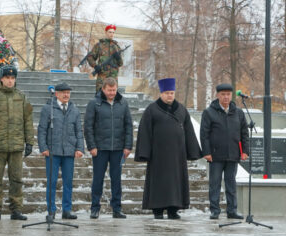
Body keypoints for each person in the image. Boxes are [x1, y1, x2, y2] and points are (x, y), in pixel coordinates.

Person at [134, 78, 202, 219]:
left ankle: (173, 209)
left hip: (177, 155)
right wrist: (144, 153)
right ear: (161, 93)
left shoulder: (182, 110)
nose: (170, 95)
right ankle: (157, 210)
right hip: (158, 155)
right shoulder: (151, 110)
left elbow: (189, 131)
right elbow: (145, 131)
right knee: (158, 181)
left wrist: (193, 151)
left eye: (172, 92)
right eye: (167, 93)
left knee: (176, 182)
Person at [0, 65, 34, 221]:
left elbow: (28, 120)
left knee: (16, 179)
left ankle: (16, 209)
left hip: (16, 146)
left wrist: (29, 142)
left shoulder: (22, 97)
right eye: (7, 78)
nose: (10, 81)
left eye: (12, 78)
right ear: (1, 79)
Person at [84, 77, 133, 219]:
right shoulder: (94, 103)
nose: (112, 93)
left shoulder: (123, 103)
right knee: (98, 179)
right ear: (103, 89)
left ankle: (117, 208)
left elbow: (128, 126)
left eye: (114, 90)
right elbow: (88, 126)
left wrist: (128, 146)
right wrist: (91, 146)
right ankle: (95, 208)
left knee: (116, 180)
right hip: (100, 149)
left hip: (118, 149)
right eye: (109, 90)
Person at [200, 83, 249, 220]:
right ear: (217, 95)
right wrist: (207, 152)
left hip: (233, 154)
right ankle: (215, 210)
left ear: (231, 95)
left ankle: (232, 210)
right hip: (215, 155)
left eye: (228, 94)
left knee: (231, 184)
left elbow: (244, 133)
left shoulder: (238, 112)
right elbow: (204, 134)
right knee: (214, 184)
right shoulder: (209, 112)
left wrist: (245, 151)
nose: (226, 97)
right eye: (223, 94)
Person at [38, 82, 84, 222]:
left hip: (69, 151)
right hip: (53, 151)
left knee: (68, 182)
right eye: (63, 92)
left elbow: (79, 131)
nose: (66, 95)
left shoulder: (74, 110)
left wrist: (79, 148)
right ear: (56, 93)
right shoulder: (48, 109)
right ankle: (51, 211)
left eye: (68, 92)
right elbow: (42, 130)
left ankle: (67, 210)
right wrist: (43, 147)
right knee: (52, 182)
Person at [86, 24, 124, 92]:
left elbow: (120, 64)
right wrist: (95, 66)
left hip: (113, 77)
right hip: (102, 77)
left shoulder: (117, 47)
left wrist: (118, 58)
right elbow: (90, 57)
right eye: (110, 32)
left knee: (113, 98)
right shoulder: (99, 45)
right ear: (106, 33)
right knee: (100, 97)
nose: (111, 34)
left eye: (113, 32)